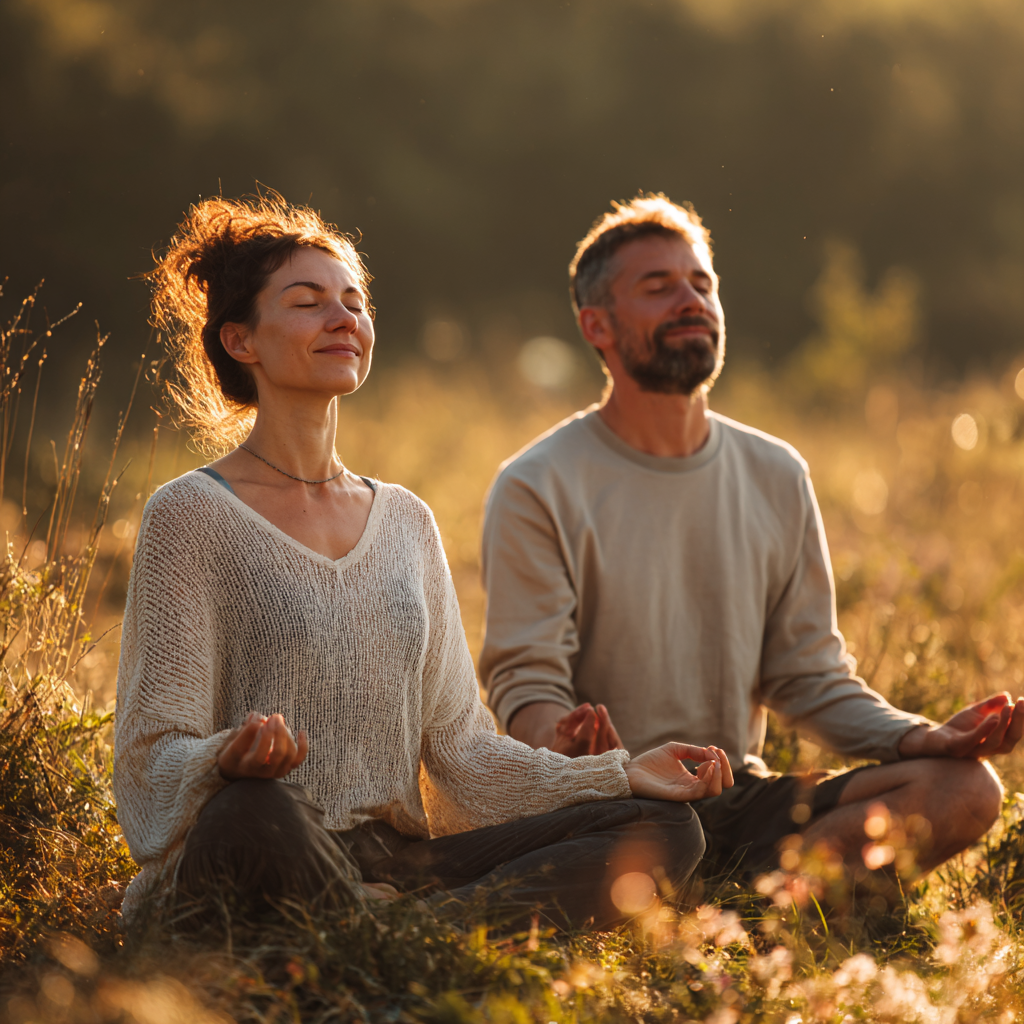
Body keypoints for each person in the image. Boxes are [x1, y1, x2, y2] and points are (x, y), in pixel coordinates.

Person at [112, 193, 730, 932]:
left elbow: (463, 754)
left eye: (355, 302)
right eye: (309, 304)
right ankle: (403, 941)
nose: (345, 320)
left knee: (662, 830)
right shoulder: (191, 514)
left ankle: (391, 937)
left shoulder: (405, 521)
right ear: (241, 340)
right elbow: (153, 757)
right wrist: (225, 761)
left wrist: (618, 772)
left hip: (397, 866)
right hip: (261, 844)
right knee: (253, 811)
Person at [479, 194, 1024, 882]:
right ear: (598, 326)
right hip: (613, 803)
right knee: (635, 844)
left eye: (702, 284)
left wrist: (922, 735)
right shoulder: (537, 484)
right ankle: (747, 909)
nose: (691, 300)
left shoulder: (776, 472)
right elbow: (525, 684)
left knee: (966, 789)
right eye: (659, 287)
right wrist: (568, 749)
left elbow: (809, 677)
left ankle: (756, 914)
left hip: (739, 794)